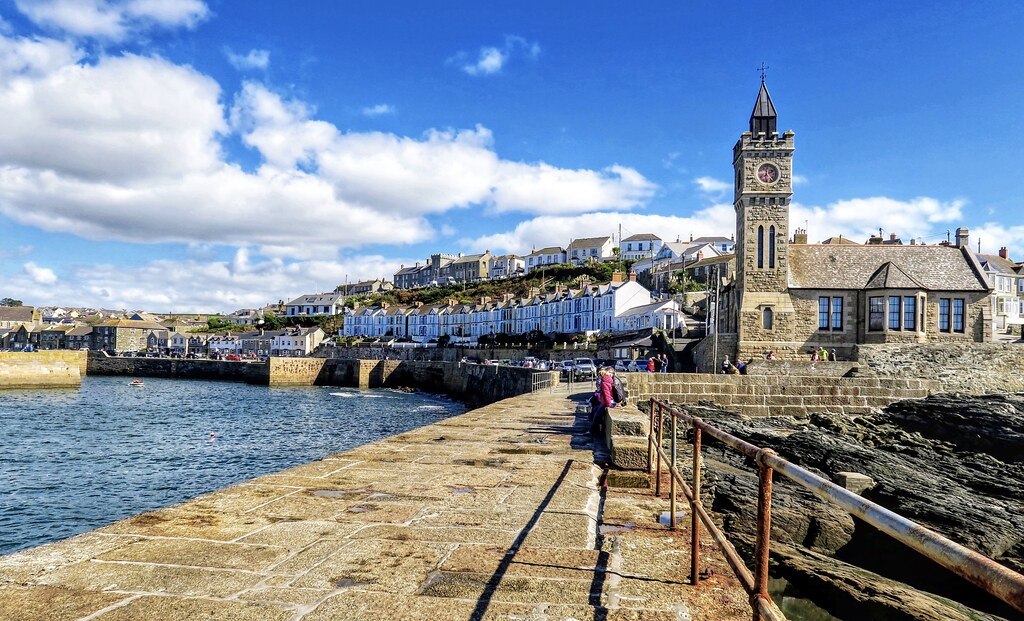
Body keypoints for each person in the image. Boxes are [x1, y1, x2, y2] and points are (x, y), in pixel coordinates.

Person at [590, 366, 616, 435]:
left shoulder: (605, 381)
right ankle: (596, 430)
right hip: (608, 401)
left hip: (605, 402)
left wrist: (608, 404)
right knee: (596, 412)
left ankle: (592, 431)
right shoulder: (609, 380)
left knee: (596, 416)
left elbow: (606, 394)